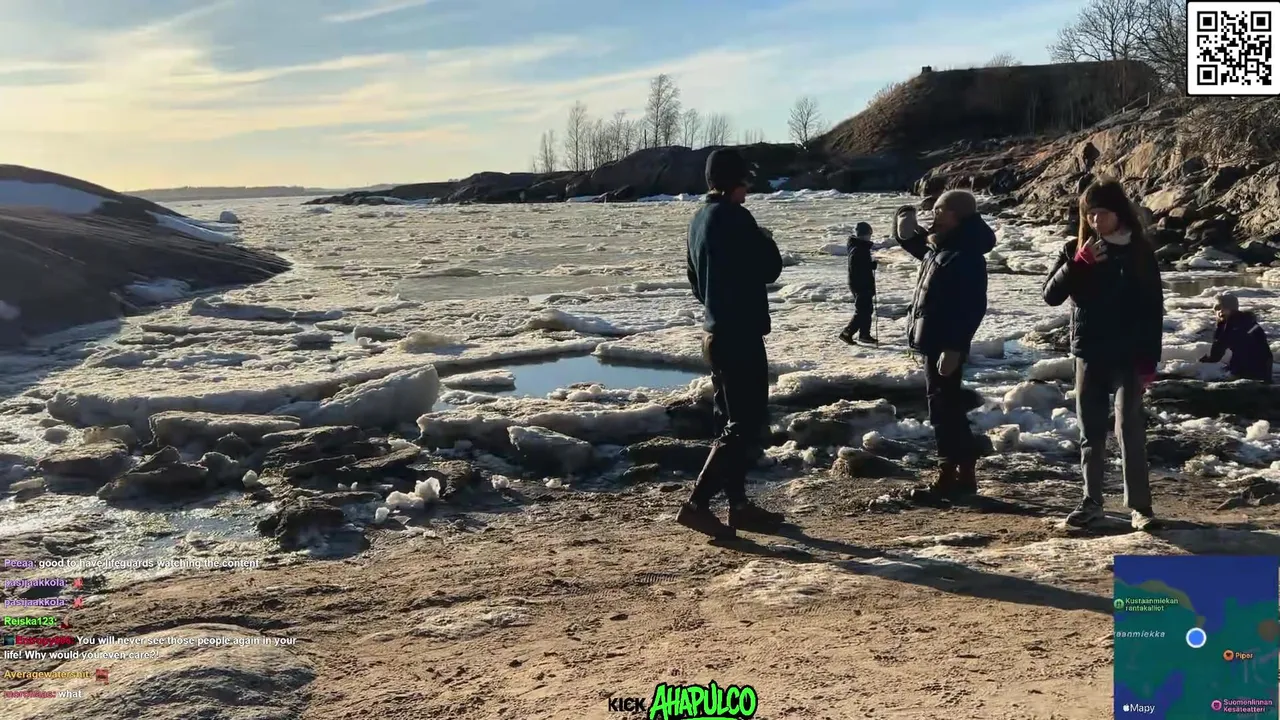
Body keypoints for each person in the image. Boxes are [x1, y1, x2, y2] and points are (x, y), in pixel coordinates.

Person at [1042, 178, 1164, 532]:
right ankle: (1091, 502)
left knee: (1129, 429)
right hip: (1089, 352)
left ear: (1119, 213)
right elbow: (1050, 295)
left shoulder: (1139, 251)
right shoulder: (1074, 249)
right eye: (1090, 214)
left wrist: (1149, 360)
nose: (1095, 221)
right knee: (1091, 431)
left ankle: (1140, 507)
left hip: (1129, 354)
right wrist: (1078, 264)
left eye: (1102, 213)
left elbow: (1152, 308)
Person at [680, 148, 786, 539]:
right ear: (734, 182)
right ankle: (697, 504)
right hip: (740, 334)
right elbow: (769, 269)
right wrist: (766, 240)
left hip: (714, 333)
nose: (749, 189)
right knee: (745, 422)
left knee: (729, 421)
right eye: (745, 180)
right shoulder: (736, 218)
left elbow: (696, 283)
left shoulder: (697, 220)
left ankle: (738, 506)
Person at [894, 191, 995, 498]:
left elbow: (972, 307)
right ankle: (962, 474)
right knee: (945, 405)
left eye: (940, 210)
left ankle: (951, 474)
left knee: (943, 408)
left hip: (945, 343)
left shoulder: (966, 254)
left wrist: (954, 347)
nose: (934, 215)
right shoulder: (945, 246)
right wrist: (902, 226)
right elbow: (922, 249)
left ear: (957, 215)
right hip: (935, 340)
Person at [1199, 292, 1273, 383]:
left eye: (1218, 308)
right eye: (1216, 309)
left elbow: (1218, 350)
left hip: (1246, 368)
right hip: (1265, 366)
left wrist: (1205, 360)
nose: (1218, 312)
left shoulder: (1228, 325)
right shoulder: (1248, 320)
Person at [839, 221, 877, 345]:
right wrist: (868, 267)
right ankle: (847, 332)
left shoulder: (859, 247)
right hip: (861, 284)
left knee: (867, 309)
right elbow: (857, 268)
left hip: (860, 283)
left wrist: (870, 265)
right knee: (862, 310)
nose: (869, 237)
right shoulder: (859, 249)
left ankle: (864, 334)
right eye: (868, 234)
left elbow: (860, 266)